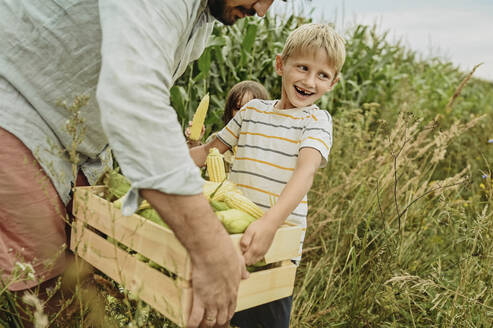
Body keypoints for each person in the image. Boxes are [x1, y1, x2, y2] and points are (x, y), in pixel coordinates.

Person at [0, 1, 282, 327]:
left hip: (81, 141)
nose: (261, 10)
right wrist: (212, 250)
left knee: (91, 264)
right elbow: (135, 97)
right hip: (20, 115)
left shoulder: (204, 15)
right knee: (56, 296)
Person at [190, 23, 346, 327]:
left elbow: (306, 171)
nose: (309, 81)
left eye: (322, 75)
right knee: (220, 316)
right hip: (233, 239)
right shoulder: (252, 113)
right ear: (280, 65)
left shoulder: (316, 121)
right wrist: (158, 164)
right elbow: (210, 150)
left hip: (277, 247)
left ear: (333, 83)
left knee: (265, 320)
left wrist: (269, 224)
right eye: (302, 67)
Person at [186, 80, 270, 173]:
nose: (243, 114)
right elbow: (194, 166)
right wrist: (194, 142)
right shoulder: (216, 140)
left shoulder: (267, 146)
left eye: (250, 109)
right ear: (230, 111)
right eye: (238, 108)